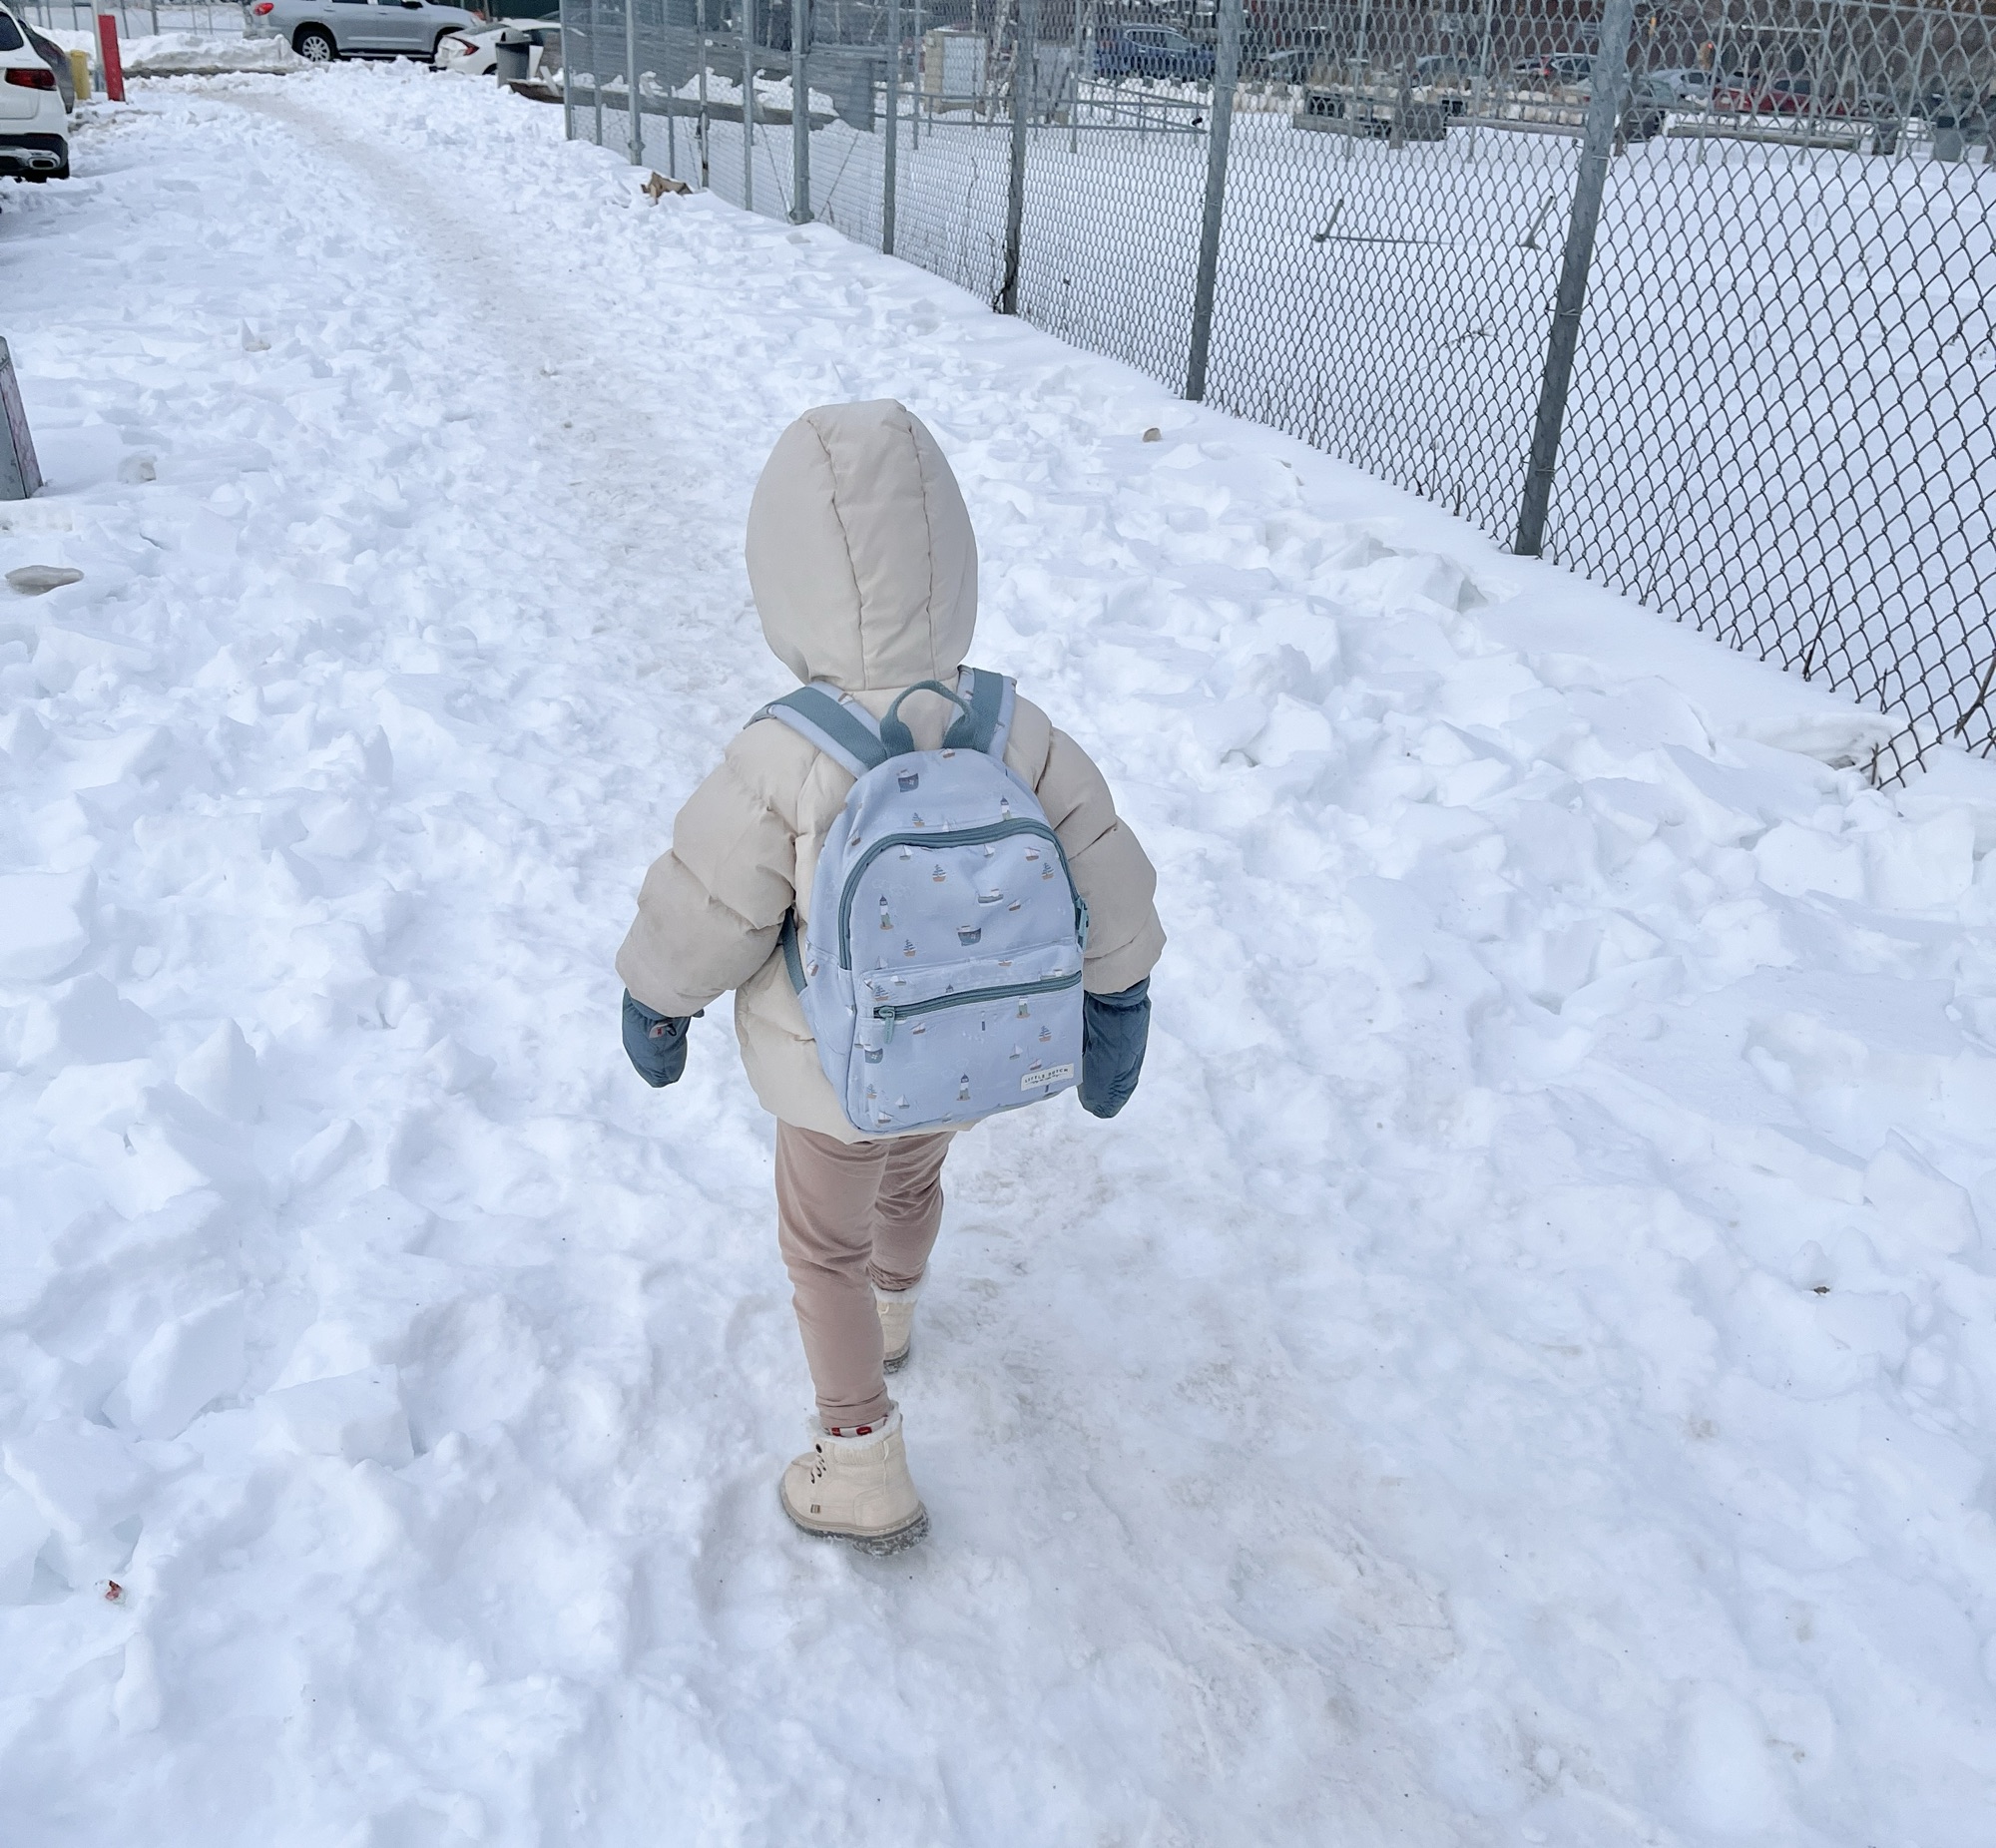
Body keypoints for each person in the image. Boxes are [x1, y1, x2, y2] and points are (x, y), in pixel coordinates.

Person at [615, 399, 1165, 1552]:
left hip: (831, 1071)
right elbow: (1103, 860)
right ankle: (897, 1310)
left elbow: (707, 900)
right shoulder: (1012, 728)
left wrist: (658, 1000)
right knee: (911, 1180)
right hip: (960, 1049)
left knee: (823, 1246)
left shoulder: (786, 751)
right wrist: (1117, 996)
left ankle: (859, 1459)